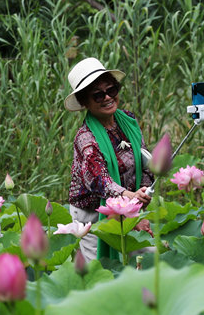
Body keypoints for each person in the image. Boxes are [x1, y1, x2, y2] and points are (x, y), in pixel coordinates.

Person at [65, 57, 154, 261]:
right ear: (84, 102)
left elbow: (144, 161)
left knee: (148, 259)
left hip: (128, 205)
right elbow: (98, 180)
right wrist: (129, 197)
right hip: (93, 214)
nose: (107, 98)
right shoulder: (85, 137)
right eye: (97, 95)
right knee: (101, 270)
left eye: (111, 90)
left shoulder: (128, 121)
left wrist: (140, 197)